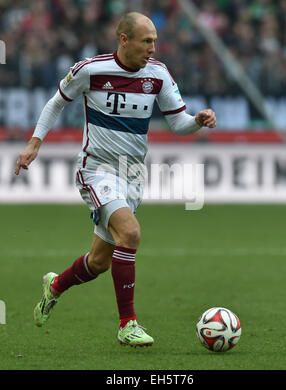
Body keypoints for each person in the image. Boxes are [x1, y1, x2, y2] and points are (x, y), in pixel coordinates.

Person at [15, 12, 216, 348]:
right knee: (131, 233)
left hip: (133, 174)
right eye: (146, 41)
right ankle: (128, 325)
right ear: (124, 40)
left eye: (154, 40)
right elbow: (56, 103)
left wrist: (197, 120)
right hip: (97, 169)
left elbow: (178, 123)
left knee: (99, 262)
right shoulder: (90, 70)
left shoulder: (158, 75)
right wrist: (35, 142)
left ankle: (55, 286)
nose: (153, 47)